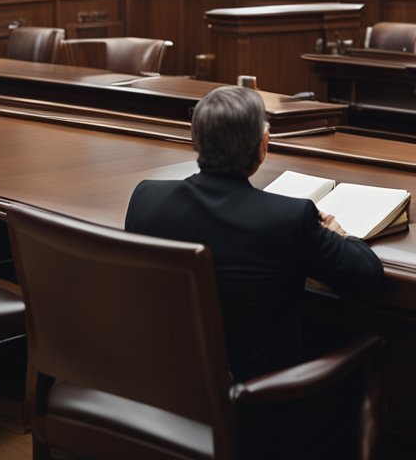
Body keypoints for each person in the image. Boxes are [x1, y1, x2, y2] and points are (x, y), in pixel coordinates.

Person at [125, 85, 383, 382]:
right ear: (263, 145)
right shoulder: (288, 218)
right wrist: (340, 236)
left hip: (167, 389)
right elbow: (367, 276)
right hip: (260, 404)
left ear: (195, 138)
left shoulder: (146, 199)